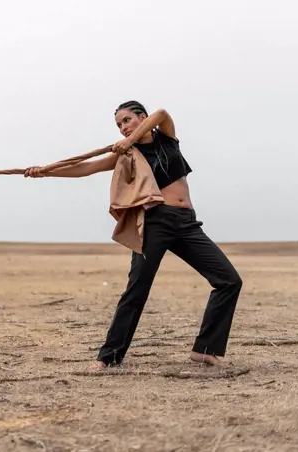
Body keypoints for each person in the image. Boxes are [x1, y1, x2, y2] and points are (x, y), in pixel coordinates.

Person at [24, 101, 242, 370]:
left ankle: (206, 350)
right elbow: (86, 168)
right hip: (155, 223)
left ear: (142, 117)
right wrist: (45, 172)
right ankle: (108, 357)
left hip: (187, 224)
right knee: (136, 291)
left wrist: (131, 140)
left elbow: (162, 114)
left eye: (127, 120)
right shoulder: (127, 154)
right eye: (119, 125)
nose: (123, 128)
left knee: (229, 281)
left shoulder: (168, 139)